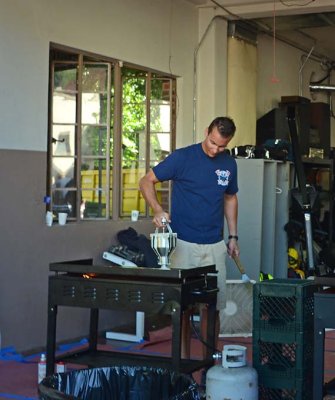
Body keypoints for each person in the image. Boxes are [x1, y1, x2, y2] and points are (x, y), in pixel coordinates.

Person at [139, 116, 240, 358]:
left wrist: (233, 235)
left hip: (215, 244)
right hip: (183, 244)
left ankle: (208, 364)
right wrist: (157, 209)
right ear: (207, 131)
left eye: (222, 146)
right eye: (213, 142)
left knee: (212, 308)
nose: (216, 150)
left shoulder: (229, 164)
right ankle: (182, 363)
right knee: (182, 308)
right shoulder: (182, 157)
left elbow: (230, 197)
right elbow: (146, 181)